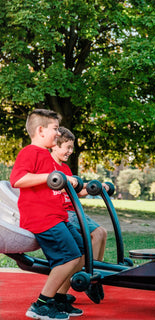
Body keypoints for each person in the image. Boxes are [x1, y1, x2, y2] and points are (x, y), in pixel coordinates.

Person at [10, 109, 84, 319]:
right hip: (42, 218)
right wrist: (50, 176)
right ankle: (41, 304)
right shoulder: (30, 152)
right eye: (55, 129)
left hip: (57, 216)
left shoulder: (49, 157)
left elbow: (55, 183)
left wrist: (74, 183)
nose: (59, 134)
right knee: (69, 257)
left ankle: (59, 299)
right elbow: (18, 179)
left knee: (81, 252)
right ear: (40, 130)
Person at [50, 127, 108, 304]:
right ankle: (89, 276)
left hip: (73, 210)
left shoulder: (65, 168)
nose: (70, 151)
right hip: (63, 213)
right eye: (67, 147)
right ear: (54, 145)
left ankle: (91, 274)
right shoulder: (49, 168)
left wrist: (94, 187)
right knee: (95, 235)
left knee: (102, 233)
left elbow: (75, 192)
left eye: (71, 148)